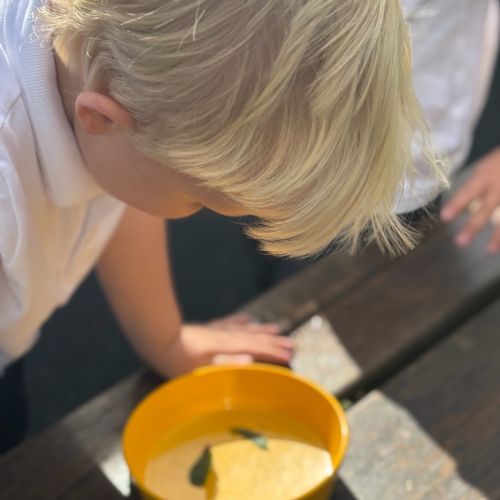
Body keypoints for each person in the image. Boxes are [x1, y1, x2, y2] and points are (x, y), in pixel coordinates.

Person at [0, 0, 439, 452]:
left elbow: (128, 188)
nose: (194, 208)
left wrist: (167, 341)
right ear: (102, 118)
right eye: (195, 199)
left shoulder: (110, 95)